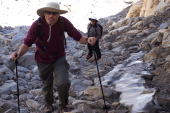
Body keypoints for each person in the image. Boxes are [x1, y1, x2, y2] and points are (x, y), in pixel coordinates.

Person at [11, 2, 96, 113]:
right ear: (45, 13)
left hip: (58, 56)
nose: (51, 15)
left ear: (58, 14)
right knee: (47, 83)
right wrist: (18, 54)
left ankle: (63, 105)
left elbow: (79, 37)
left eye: (54, 13)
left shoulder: (63, 22)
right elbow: (27, 43)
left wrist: (89, 40)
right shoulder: (37, 24)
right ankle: (48, 103)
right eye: (48, 12)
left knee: (64, 82)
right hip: (42, 57)